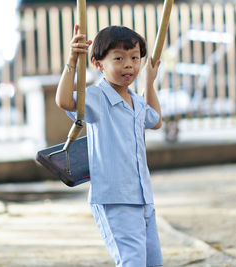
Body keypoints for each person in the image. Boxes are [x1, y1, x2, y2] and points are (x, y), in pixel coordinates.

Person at [55, 24, 163, 267]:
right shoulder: (96, 97)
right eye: (119, 58)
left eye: (135, 58)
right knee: (132, 261)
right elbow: (63, 101)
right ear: (98, 63)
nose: (129, 65)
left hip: (143, 196)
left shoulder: (135, 100)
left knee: (152, 262)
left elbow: (155, 120)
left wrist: (149, 83)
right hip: (115, 197)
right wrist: (72, 59)